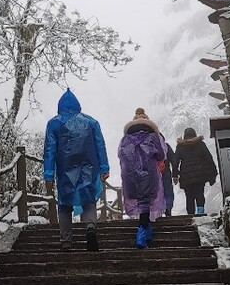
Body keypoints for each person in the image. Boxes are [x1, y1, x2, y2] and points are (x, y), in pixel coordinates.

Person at [43, 88, 109, 252]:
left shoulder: (54, 124)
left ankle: (66, 242)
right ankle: (90, 228)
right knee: (89, 201)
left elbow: (50, 151)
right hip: (89, 166)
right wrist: (104, 168)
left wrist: (49, 175)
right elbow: (100, 145)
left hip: (65, 167)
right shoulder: (91, 122)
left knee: (65, 205)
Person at [118, 108, 166, 248]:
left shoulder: (126, 139)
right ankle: (141, 235)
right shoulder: (152, 136)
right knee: (147, 201)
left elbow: (121, 156)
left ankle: (148, 233)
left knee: (141, 203)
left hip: (130, 175)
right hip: (148, 172)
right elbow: (161, 156)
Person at [173, 127, 217, 216]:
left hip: (186, 177)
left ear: (185, 136)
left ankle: (190, 215)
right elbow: (209, 158)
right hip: (200, 175)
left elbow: (175, 161)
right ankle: (200, 214)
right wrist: (214, 172)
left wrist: (175, 175)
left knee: (189, 197)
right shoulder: (200, 144)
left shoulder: (180, 146)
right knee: (199, 194)